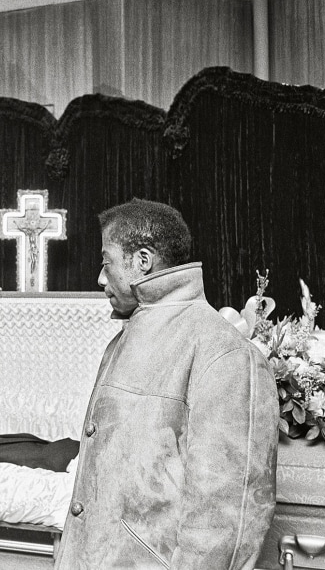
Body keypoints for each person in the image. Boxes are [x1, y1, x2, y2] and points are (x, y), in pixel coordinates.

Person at [56, 199, 277, 569]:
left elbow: (224, 520)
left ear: (143, 261)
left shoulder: (223, 352)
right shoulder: (127, 338)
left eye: (106, 262)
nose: (99, 277)